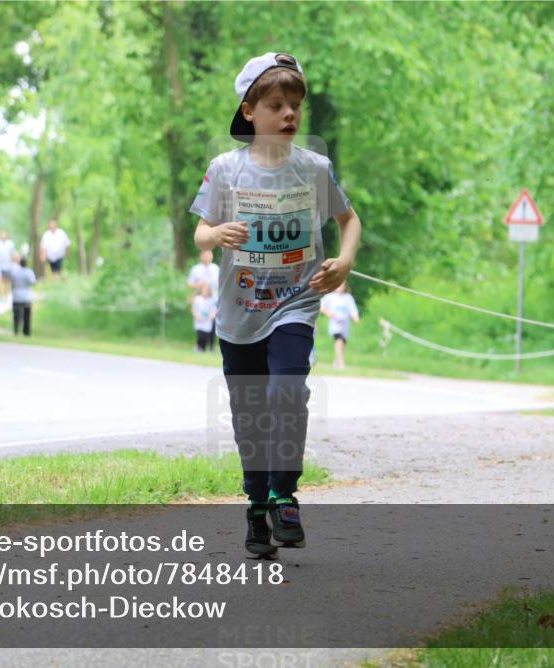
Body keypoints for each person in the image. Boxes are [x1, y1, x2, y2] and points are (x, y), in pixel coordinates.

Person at [190, 52, 361, 559]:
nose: (290, 115)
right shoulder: (224, 170)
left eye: (296, 106)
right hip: (239, 310)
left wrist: (344, 263)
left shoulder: (314, 169)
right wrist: (216, 232)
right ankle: (255, 508)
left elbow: (348, 221)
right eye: (277, 105)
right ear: (249, 111)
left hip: (296, 301)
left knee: (288, 393)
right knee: (249, 415)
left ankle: (284, 496)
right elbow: (199, 229)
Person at [320, 283, 360, 369]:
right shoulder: (330, 296)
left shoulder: (348, 297)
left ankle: (336, 362)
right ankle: (342, 364)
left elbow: (353, 310)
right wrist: (330, 314)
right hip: (335, 324)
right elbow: (321, 307)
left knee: (343, 343)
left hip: (345, 324)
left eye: (342, 286)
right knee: (339, 340)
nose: (340, 288)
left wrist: (355, 318)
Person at [10, 255, 37, 336]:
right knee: (27, 315)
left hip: (16, 295)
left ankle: (16, 329)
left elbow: (12, 282)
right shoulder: (29, 272)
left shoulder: (15, 272)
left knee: (16, 314)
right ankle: (26, 331)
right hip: (26, 296)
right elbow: (32, 282)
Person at [191, 283, 217, 352]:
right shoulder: (197, 299)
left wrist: (211, 316)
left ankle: (203, 348)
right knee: (200, 335)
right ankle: (198, 347)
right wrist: (197, 316)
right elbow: (194, 309)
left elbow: (213, 311)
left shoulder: (211, 300)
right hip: (199, 321)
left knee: (206, 336)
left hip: (207, 322)